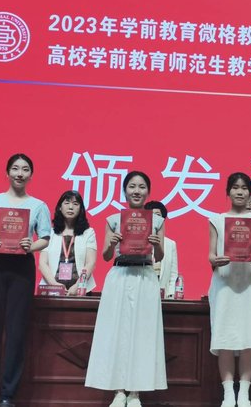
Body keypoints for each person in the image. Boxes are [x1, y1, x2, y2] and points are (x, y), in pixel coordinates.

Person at [0, 153, 52, 407]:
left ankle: (8, 394)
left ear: (31, 175)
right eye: (15, 168)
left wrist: (32, 245)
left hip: (22, 269)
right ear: (7, 173)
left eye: (25, 169)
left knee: (17, 332)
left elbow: (45, 238)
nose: (20, 173)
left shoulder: (38, 205)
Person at [85, 171, 166, 407]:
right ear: (124, 191)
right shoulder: (113, 219)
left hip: (145, 277)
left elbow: (160, 256)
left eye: (141, 187)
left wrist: (157, 245)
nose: (136, 191)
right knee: (117, 332)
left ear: (148, 192)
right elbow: (106, 256)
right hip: (120, 276)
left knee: (143, 333)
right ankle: (119, 391)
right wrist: (111, 244)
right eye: (132, 186)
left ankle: (135, 393)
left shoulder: (157, 221)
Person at [208, 172, 251, 407]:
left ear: (250, 192)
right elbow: (211, 255)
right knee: (225, 339)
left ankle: (244, 393)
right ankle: (228, 393)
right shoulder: (217, 220)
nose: (240, 191)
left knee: (248, 339)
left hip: (250, 285)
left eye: (244, 188)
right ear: (228, 192)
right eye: (235, 187)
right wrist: (216, 259)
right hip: (224, 284)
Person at [38, 190, 97, 295]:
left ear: (81, 209)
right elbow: (42, 263)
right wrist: (54, 285)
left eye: (75, 204)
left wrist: (78, 286)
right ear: (60, 208)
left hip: (81, 289)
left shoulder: (88, 233)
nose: (70, 207)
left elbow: (90, 263)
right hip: (52, 289)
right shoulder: (49, 233)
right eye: (66, 203)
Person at [144, 200, 178, 299]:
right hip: (142, 289)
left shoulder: (170, 244)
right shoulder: (138, 241)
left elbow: (173, 274)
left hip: (162, 293)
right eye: (152, 215)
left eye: (158, 215)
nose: (155, 218)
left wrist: (171, 295)